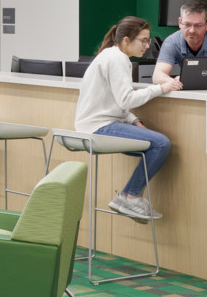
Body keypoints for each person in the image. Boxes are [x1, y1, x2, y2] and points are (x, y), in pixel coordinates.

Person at [75, 16, 182, 222]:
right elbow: (125, 100)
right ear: (126, 40)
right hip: (99, 127)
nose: (147, 45)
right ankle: (130, 196)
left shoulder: (109, 55)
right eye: (143, 40)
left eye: (148, 40)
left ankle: (130, 196)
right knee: (160, 144)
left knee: (153, 145)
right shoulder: (117, 59)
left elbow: (113, 103)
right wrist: (161, 88)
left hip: (96, 123)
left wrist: (133, 121)